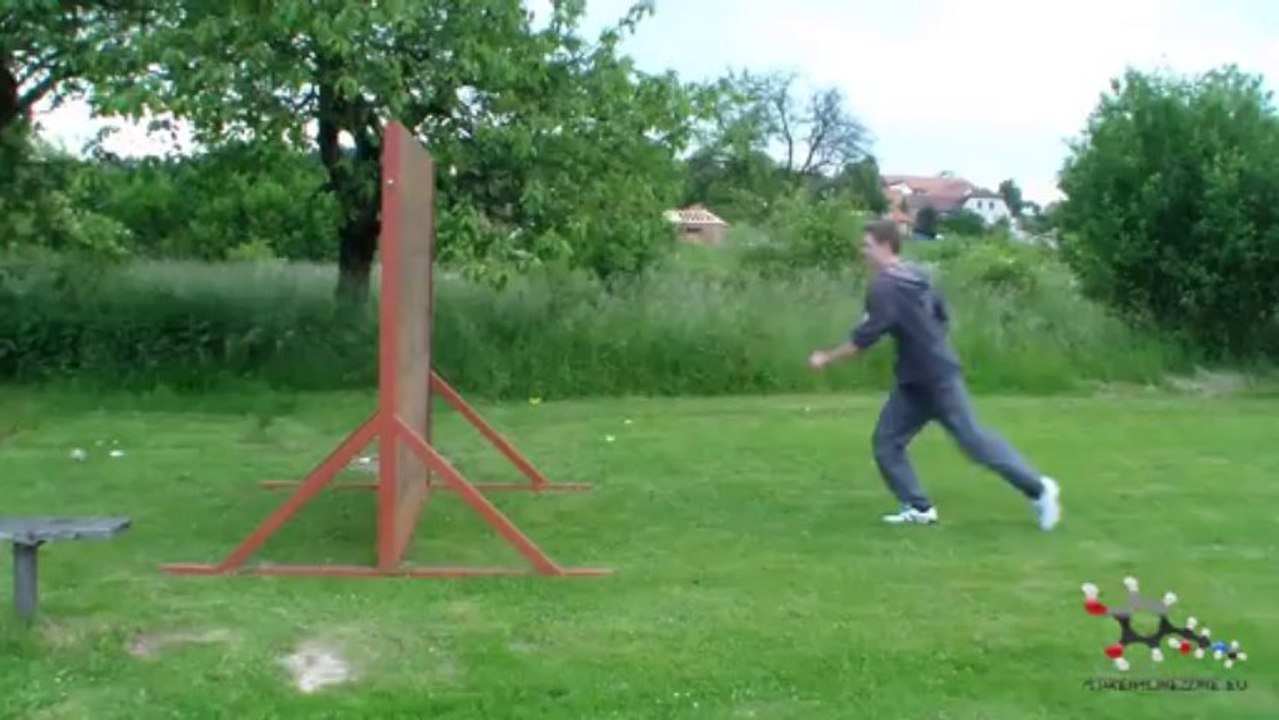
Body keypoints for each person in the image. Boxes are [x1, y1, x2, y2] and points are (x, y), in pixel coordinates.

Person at [807, 220, 1061, 530]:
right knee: (887, 442)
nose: (863, 252)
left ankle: (1040, 490)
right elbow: (941, 317)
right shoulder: (918, 275)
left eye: (867, 245)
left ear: (886, 246)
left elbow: (864, 340)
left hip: (936, 379)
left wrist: (826, 357)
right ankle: (918, 508)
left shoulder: (885, 286)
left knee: (975, 444)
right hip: (916, 381)